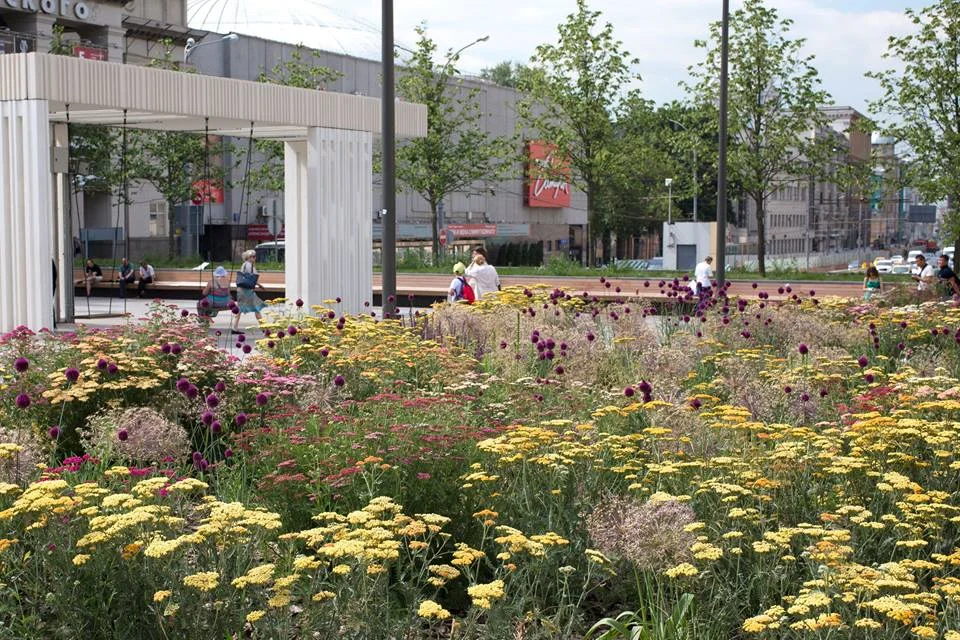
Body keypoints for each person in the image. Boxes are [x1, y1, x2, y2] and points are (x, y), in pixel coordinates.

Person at [232, 249, 266, 334]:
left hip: (242, 289)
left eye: (255, 256)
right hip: (247, 291)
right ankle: (264, 328)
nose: (255, 258)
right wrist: (259, 285)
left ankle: (234, 327)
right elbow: (251, 278)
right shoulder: (249, 265)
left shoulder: (244, 265)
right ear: (249, 257)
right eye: (253, 256)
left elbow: (248, 278)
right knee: (256, 308)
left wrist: (258, 284)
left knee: (240, 309)